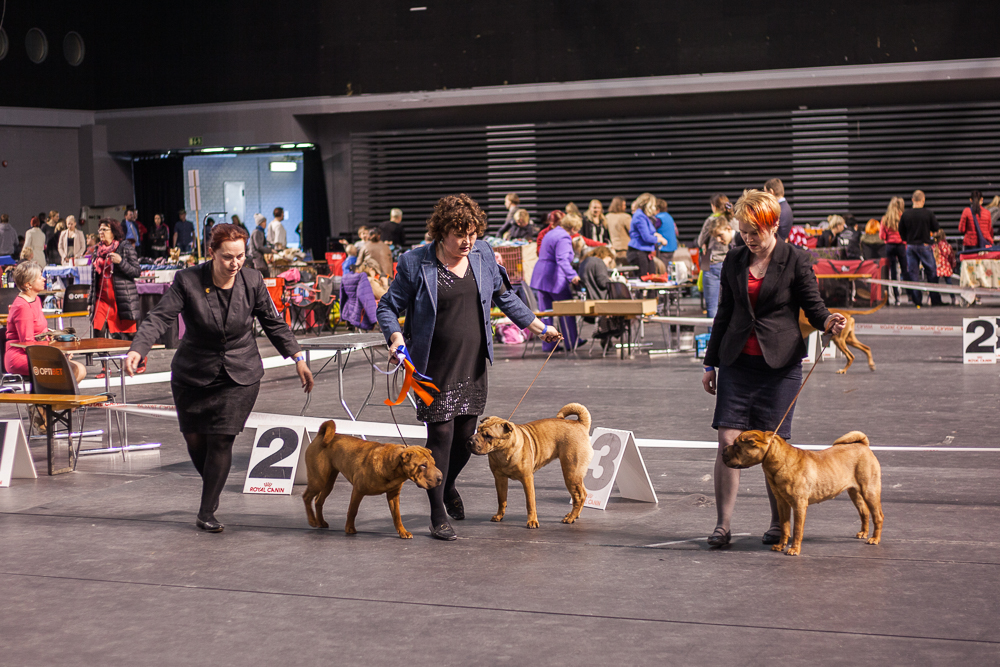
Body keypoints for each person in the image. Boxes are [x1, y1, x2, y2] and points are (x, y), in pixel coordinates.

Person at [377, 194, 559, 541]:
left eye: (473, 233)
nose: (467, 241)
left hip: (472, 363)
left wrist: (539, 327)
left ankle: (446, 485)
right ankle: (437, 514)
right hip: (432, 367)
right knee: (440, 438)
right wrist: (396, 338)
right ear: (441, 232)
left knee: (466, 441)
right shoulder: (416, 262)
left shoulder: (483, 254)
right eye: (459, 234)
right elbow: (387, 306)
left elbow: (504, 297)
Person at [125, 223, 314, 533]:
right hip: (193, 373)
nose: (235, 263)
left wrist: (298, 358)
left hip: (240, 374)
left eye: (240, 256)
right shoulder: (187, 280)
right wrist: (138, 348)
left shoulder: (252, 280)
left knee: (221, 439)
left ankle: (206, 510)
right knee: (195, 439)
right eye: (228, 257)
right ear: (211, 253)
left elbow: (274, 323)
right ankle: (214, 482)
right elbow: (159, 317)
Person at [702, 189, 846, 548]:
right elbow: (724, 313)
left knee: (773, 447)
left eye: (755, 232)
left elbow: (813, 306)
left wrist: (828, 321)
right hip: (737, 362)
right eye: (743, 232)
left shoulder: (795, 259)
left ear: (773, 225)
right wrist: (710, 362)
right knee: (727, 441)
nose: (748, 239)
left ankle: (778, 524)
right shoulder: (734, 258)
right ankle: (722, 525)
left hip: (780, 366)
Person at [5, 260, 87, 382]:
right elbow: (27, 344)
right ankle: (53, 394)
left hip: (36, 352)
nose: (44, 279)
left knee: (79, 369)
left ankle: (54, 394)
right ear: (28, 284)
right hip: (21, 356)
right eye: (39, 277)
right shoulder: (23, 307)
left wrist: (60, 349)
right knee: (76, 370)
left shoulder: (36, 300)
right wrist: (56, 353)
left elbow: (41, 334)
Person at [89, 219, 141, 358]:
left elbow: (136, 271)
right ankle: (105, 366)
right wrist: (90, 302)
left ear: (113, 232)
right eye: (100, 229)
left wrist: (121, 262)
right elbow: (93, 279)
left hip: (121, 299)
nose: (101, 232)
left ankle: (139, 359)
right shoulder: (97, 250)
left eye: (104, 229)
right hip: (101, 299)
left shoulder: (125, 247)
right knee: (98, 332)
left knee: (130, 334)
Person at [531, 212, 582, 352]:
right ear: (573, 228)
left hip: (540, 276)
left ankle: (548, 344)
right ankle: (572, 341)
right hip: (554, 278)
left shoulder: (551, 233)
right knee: (567, 309)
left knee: (546, 313)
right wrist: (573, 276)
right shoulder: (564, 237)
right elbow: (562, 260)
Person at [899, 190, 941, 307]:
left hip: (911, 247)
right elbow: (936, 228)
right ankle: (935, 299)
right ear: (923, 200)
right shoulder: (928, 213)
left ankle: (917, 300)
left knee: (913, 274)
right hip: (925, 246)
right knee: (931, 272)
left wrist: (907, 239)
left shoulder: (906, 214)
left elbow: (901, 231)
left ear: (912, 200)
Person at [698, 194, 735, 319]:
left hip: (713, 264)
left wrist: (704, 244)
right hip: (730, 265)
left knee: (712, 306)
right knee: (731, 305)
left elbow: (700, 241)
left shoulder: (711, 220)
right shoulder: (734, 220)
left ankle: (713, 332)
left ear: (713, 206)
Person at [627, 193, 668, 277]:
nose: (654, 208)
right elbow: (646, 237)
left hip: (644, 252)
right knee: (645, 279)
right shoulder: (639, 216)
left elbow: (647, 232)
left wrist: (655, 234)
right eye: (653, 205)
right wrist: (660, 240)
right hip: (638, 252)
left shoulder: (643, 216)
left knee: (652, 277)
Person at [878, 197, 908, 306]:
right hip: (901, 246)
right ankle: (910, 295)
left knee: (893, 272)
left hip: (890, 246)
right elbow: (906, 234)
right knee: (905, 270)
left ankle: (896, 297)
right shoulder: (903, 217)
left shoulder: (885, 218)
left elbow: (882, 236)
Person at [932, 230, 957, 305]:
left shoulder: (934, 246)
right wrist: (953, 265)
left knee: (934, 284)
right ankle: (953, 298)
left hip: (936, 266)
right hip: (945, 267)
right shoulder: (947, 246)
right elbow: (951, 256)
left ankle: (930, 298)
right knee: (949, 284)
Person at [605, 196, 631, 261]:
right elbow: (632, 231)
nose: (625, 207)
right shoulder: (626, 217)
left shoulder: (607, 217)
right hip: (625, 249)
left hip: (613, 248)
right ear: (619, 206)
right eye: (624, 205)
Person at [655, 198, 678, 264]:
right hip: (672, 247)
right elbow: (676, 232)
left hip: (663, 248)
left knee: (662, 268)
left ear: (657, 209)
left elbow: (651, 230)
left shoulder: (658, 218)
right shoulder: (669, 216)